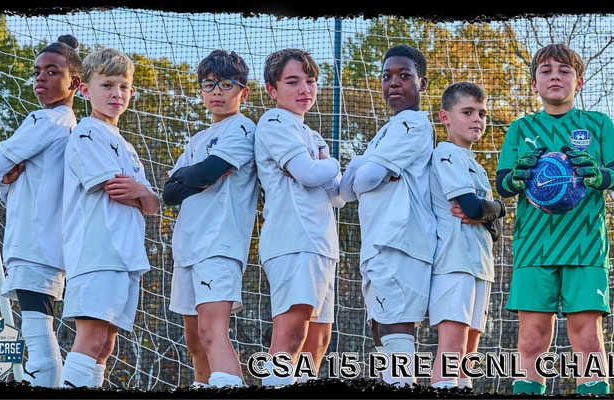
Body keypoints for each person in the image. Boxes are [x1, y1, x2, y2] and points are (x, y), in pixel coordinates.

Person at [495, 43, 614, 395]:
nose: (555, 76)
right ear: (534, 83)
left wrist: (599, 175)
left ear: (579, 81)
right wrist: (517, 178)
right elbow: (503, 184)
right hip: (534, 248)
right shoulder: (520, 128)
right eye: (546, 71)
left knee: (587, 340)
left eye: (564, 70)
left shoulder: (598, 124)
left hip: (585, 248)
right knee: (531, 340)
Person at [0, 34, 81, 388]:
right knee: (39, 330)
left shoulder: (46, 120)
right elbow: (15, 183)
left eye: (52, 72)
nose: (41, 77)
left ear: (75, 83)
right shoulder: (70, 127)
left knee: (38, 339)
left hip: (33, 245)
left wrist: (1, 177)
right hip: (47, 245)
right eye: (37, 71)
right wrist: (7, 180)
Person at [59, 47, 160, 388]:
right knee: (91, 339)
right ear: (84, 90)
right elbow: (114, 188)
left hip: (126, 255)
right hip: (97, 252)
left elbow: (152, 203)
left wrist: (141, 193)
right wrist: (140, 194)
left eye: (123, 86)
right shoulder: (86, 132)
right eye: (107, 85)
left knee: (106, 345)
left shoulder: (127, 147)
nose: (117, 93)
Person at [339, 44, 435, 387]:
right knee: (380, 328)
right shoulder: (389, 129)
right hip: (379, 241)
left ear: (422, 83)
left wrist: (363, 170)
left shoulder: (413, 124)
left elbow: (362, 181)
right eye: (387, 76)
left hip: (400, 241)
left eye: (404, 75)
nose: (394, 82)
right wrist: (362, 165)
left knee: (395, 327)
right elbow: (347, 192)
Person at [162, 49, 257, 388]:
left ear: (243, 92)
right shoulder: (197, 139)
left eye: (226, 84)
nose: (217, 92)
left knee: (211, 332)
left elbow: (208, 171)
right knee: (194, 341)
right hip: (187, 247)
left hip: (219, 244)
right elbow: (169, 193)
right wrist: (197, 175)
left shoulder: (243, 128)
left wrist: (196, 175)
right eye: (209, 85)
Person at [252, 48, 344, 386]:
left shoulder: (313, 136)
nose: (304, 89)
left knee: (317, 343)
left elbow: (338, 195)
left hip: (322, 245)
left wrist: (324, 168)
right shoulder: (274, 122)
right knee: (290, 338)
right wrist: (330, 164)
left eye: (310, 81)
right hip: (293, 242)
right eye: (292, 81)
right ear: (272, 89)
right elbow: (308, 173)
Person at [425, 81, 505, 390]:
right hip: (454, 264)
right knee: (452, 347)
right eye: (468, 112)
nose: (477, 119)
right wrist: (495, 209)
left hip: (480, 266)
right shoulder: (446, 155)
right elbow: (473, 208)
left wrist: (490, 212)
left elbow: (495, 229)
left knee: (469, 354)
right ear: (445, 117)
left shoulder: (477, 167)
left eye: (482, 113)